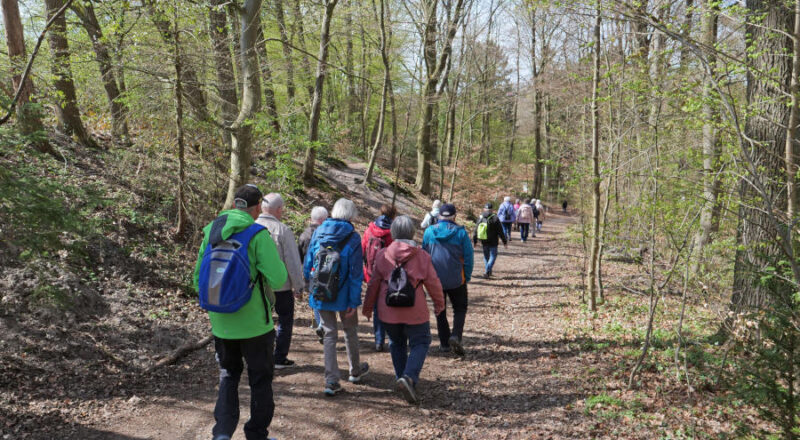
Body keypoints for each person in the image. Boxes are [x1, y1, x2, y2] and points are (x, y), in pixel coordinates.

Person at [193, 184, 288, 440]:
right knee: (260, 380)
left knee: (228, 375)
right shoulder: (257, 234)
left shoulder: (211, 232)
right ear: (257, 207)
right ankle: (256, 434)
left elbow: (196, 280)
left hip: (221, 322)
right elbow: (279, 279)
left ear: (235, 205)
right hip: (255, 324)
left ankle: (222, 433)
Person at [363, 215, 445, 404]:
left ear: (393, 233)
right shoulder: (421, 255)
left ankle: (402, 377)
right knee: (421, 342)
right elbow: (433, 283)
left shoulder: (383, 254)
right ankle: (408, 378)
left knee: (396, 343)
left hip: (388, 311)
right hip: (415, 311)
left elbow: (374, 283)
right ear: (412, 233)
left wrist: (368, 308)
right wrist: (439, 304)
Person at [303, 198, 369, 396]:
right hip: (345, 294)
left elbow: (308, 265)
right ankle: (354, 371)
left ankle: (331, 380)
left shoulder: (318, 232)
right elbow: (357, 273)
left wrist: (310, 286)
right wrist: (354, 301)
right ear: (351, 215)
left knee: (329, 334)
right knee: (350, 331)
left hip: (321, 292)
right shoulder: (353, 237)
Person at [256, 193, 305, 369]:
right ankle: (279, 357)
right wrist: (298, 286)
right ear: (278, 209)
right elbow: (292, 261)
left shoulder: (250, 227)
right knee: (285, 320)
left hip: (257, 286)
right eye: (282, 209)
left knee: (261, 320)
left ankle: (260, 356)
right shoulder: (283, 230)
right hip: (281, 286)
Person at [422, 203, 473, 356]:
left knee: (440, 309)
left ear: (439, 216)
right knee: (460, 308)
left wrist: (425, 277)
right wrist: (467, 276)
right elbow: (469, 258)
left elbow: (424, 256)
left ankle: (444, 343)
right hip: (457, 279)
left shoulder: (429, 232)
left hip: (434, 279)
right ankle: (456, 335)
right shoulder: (461, 233)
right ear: (454, 217)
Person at [361, 204, 396, 351]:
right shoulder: (393, 232)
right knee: (390, 306)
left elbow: (362, 250)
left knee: (376, 308)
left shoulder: (369, 230)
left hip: (372, 275)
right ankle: (392, 338)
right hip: (389, 277)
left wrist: (366, 270)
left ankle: (378, 340)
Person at [298, 206, 329, 343]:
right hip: (326, 272)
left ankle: (320, 324)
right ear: (323, 219)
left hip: (310, 273)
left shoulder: (304, 235)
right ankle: (323, 324)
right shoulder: (327, 233)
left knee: (315, 300)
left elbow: (300, 256)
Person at [472, 202, 507, 278]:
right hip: (493, 241)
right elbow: (500, 231)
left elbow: (475, 230)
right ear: (492, 210)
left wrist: (475, 241)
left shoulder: (481, 217)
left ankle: (488, 272)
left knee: (486, 256)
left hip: (484, 240)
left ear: (484, 209)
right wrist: (504, 241)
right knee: (493, 256)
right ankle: (488, 270)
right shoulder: (495, 218)